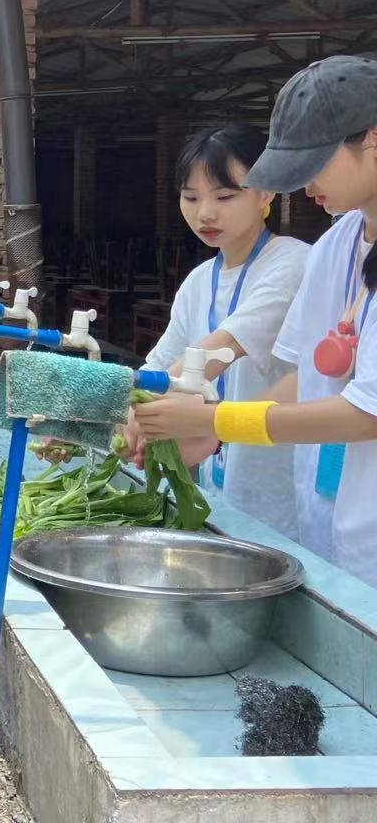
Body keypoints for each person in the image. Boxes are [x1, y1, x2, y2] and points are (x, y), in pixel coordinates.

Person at [135, 56, 377, 581]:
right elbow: (304, 381)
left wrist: (214, 420)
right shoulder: (337, 246)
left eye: (314, 161)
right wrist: (218, 435)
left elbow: (366, 413)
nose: (304, 184)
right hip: (329, 520)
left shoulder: (293, 258)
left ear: (372, 140)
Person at [125, 125, 307, 539]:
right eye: (191, 197)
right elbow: (156, 369)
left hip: (281, 482)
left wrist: (152, 406)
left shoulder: (293, 262)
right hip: (220, 484)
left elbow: (216, 351)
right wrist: (122, 417)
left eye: (225, 196)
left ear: (266, 193)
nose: (205, 212)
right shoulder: (198, 280)